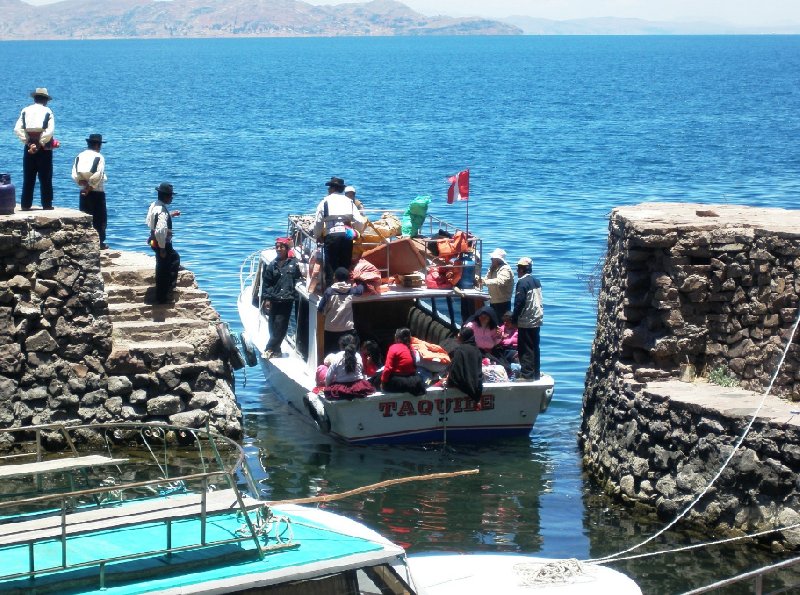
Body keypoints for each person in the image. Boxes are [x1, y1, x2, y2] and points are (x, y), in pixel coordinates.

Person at [313, 176, 367, 287]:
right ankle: (345, 288)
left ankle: (331, 291)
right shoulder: (349, 202)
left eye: (329, 188)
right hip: (347, 235)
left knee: (331, 265)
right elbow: (360, 221)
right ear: (341, 189)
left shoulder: (325, 202)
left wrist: (317, 235)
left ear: (332, 188)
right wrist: (357, 232)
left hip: (332, 235)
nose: (328, 190)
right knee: (345, 264)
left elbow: (318, 222)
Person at [14, 87, 56, 211]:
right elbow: (49, 131)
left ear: (35, 98)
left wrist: (28, 142)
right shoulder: (48, 111)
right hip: (44, 148)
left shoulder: (25, 110)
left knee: (28, 176)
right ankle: (47, 204)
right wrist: (40, 143)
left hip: (28, 147)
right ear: (45, 100)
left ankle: (26, 204)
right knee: (46, 177)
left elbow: (17, 129)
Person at [260, 236, 302, 358]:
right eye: (277, 247)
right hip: (274, 298)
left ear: (286, 248)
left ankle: (269, 348)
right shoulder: (272, 265)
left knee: (280, 325)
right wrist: (267, 299)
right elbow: (267, 283)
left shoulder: (293, 263)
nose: (278, 249)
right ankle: (276, 350)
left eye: (281, 247)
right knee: (272, 325)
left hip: (287, 299)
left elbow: (299, 276)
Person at [145, 182, 181, 304]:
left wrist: (170, 215)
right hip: (162, 243)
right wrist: (163, 249)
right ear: (166, 196)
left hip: (154, 241)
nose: (171, 198)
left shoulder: (155, 206)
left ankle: (162, 295)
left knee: (162, 266)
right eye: (170, 196)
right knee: (170, 264)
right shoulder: (162, 212)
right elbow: (160, 231)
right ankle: (166, 294)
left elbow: (152, 221)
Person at [71, 133, 108, 248]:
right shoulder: (99, 157)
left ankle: (85, 242)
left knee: (85, 217)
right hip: (97, 192)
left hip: (83, 191)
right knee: (100, 219)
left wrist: (81, 183)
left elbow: (74, 173)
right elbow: (98, 174)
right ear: (97, 145)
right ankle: (99, 243)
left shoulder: (80, 156)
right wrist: (90, 187)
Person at [317, 266, 363, 355]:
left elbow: (320, 308)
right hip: (347, 330)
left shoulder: (329, 292)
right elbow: (360, 290)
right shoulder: (351, 291)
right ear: (347, 279)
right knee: (350, 352)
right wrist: (360, 282)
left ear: (335, 278)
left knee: (330, 355)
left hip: (330, 330)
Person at [512, 256, 544, 381]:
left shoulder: (522, 283)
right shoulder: (536, 281)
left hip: (526, 320)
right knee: (535, 346)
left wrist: (514, 318)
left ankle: (527, 375)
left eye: (518, 268)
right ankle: (535, 373)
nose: (517, 271)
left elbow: (519, 302)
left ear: (521, 269)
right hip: (537, 317)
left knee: (525, 348)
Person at [323, 334, 375, 399]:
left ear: (341, 346)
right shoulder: (358, 355)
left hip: (341, 389)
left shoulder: (337, 356)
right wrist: (365, 383)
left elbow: (328, 377)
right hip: (358, 387)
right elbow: (363, 372)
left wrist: (327, 386)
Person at [380, 327, 426, 396]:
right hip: (413, 381)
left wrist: (383, 384)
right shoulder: (411, 348)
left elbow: (388, 368)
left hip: (398, 382)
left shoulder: (393, 347)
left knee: (377, 378)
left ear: (397, 338)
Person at [446, 327, 483, 402]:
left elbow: (455, 371)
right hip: (475, 387)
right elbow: (478, 372)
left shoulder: (459, 350)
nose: (458, 335)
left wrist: (448, 380)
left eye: (459, 334)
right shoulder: (477, 351)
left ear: (462, 337)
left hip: (462, 385)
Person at [481, 248, 514, 321]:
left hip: (503, 302)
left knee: (502, 324)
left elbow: (501, 281)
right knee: (494, 324)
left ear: (498, 259)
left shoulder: (505, 269)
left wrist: (484, 282)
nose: (491, 259)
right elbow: (486, 279)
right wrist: (480, 280)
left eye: (493, 258)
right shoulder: (492, 268)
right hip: (493, 301)